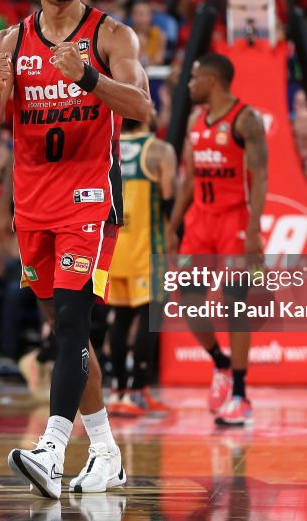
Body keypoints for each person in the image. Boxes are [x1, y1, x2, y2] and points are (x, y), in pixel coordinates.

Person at [0, 0, 153, 499]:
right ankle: (105, 453)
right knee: (66, 335)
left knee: (74, 322)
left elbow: (143, 109)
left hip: (89, 201)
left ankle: (51, 448)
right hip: (34, 207)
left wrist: (87, 79)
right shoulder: (9, 41)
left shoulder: (109, 34)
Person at [165, 53, 269, 427]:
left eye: (194, 79)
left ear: (212, 80)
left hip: (235, 221)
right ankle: (221, 363)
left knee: (235, 305)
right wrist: (173, 224)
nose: (189, 85)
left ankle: (240, 393)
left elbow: (261, 177)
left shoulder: (247, 119)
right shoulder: (196, 120)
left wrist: (255, 229)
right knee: (188, 299)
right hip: (201, 222)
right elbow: (190, 179)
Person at [107, 117, 176, 417]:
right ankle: (138, 392)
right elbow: (169, 198)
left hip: (114, 246)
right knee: (151, 317)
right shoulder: (159, 150)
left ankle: (118, 391)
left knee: (119, 320)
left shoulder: (110, 147)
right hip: (147, 250)